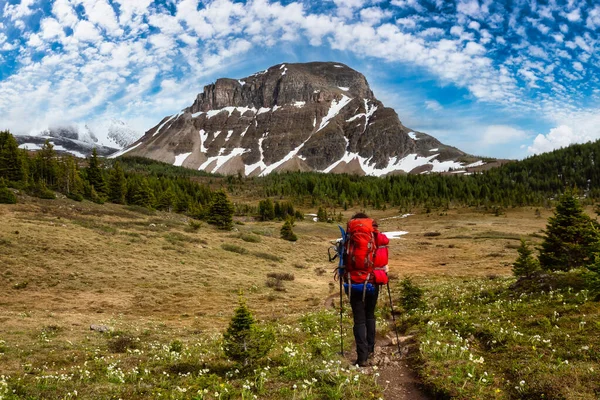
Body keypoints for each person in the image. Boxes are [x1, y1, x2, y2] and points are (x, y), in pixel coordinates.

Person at [345, 213, 389, 367]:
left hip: (353, 282)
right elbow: (382, 260)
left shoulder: (349, 236)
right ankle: (370, 350)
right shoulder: (375, 235)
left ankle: (361, 357)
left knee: (359, 319)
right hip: (373, 281)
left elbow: (343, 261)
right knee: (370, 314)